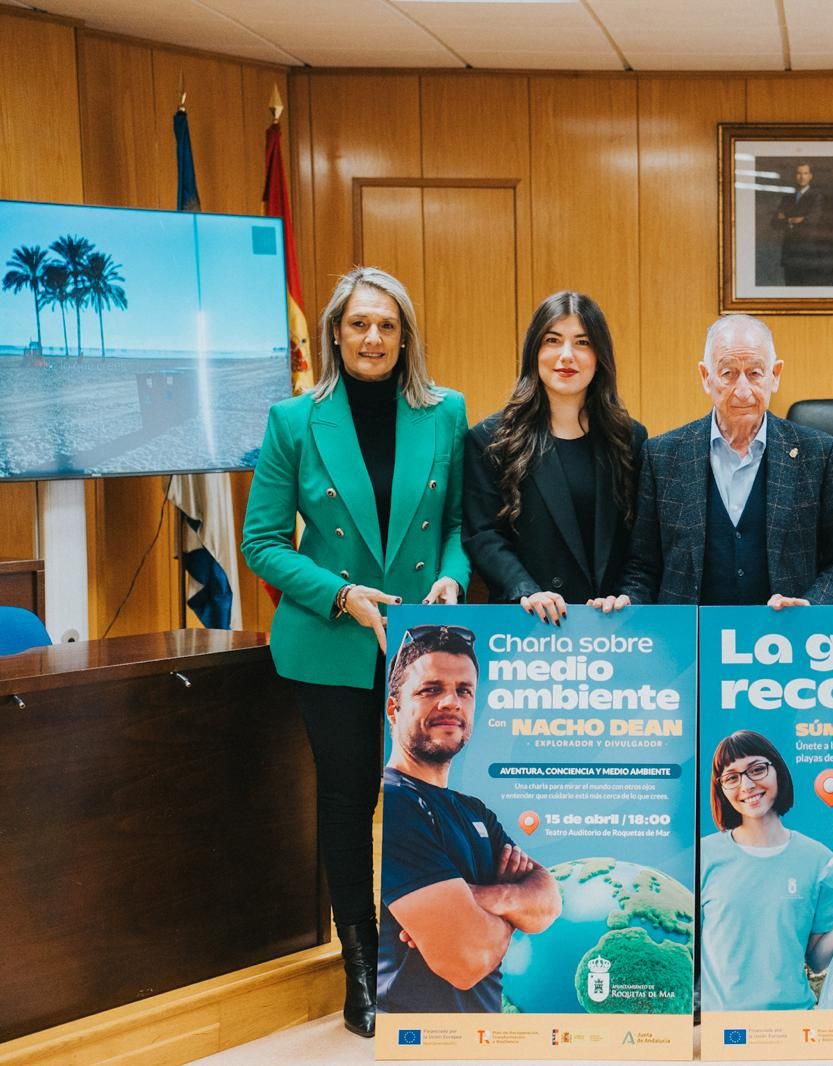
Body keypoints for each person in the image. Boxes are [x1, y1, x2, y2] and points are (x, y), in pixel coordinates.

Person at [241, 266, 470, 1038]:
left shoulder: (446, 414)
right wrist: (341, 593)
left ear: (405, 337)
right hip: (336, 644)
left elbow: (463, 529)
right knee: (348, 806)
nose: (373, 338)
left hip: (423, 646)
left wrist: (450, 576)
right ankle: (361, 969)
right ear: (336, 335)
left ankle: (428, 961)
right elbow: (262, 543)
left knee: (427, 805)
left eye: (387, 326)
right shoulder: (294, 420)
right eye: (358, 324)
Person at [600, 315, 833, 611]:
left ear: (775, 375)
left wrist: (812, 605)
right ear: (705, 377)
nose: (742, 390)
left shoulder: (819, 454)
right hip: (690, 646)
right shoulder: (662, 456)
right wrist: (629, 599)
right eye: (728, 373)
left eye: (754, 373)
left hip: (785, 641)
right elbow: (643, 566)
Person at [377, 624, 561, 1013]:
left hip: (483, 1035)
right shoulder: (393, 801)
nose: (451, 703)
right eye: (431, 689)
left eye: (464, 691)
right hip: (422, 1038)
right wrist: (514, 913)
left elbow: (548, 902)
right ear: (393, 708)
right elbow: (467, 959)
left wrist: (481, 898)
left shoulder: (473, 810)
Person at [462, 292, 645, 622]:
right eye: (553, 340)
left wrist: (628, 596)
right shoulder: (490, 439)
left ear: (600, 355)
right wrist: (526, 590)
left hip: (611, 626)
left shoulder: (629, 438)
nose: (566, 355)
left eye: (582, 342)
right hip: (527, 625)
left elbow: (642, 541)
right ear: (534, 351)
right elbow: (484, 536)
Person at [699, 730, 833, 1011]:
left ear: (778, 771)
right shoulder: (705, 855)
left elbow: (817, 960)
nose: (747, 784)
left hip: (793, 1026)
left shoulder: (817, 859)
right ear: (721, 788)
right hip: (722, 1029)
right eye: (732, 777)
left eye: (757, 769)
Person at [772, 161, 833, 286]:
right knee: (791, 292)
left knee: (808, 292)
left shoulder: (817, 197)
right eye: (799, 173)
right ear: (795, 176)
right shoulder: (787, 199)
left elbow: (811, 220)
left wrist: (786, 218)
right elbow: (774, 223)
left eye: (805, 173)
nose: (802, 177)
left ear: (810, 176)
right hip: (789, 254)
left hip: (808, 254)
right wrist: (793, 220)